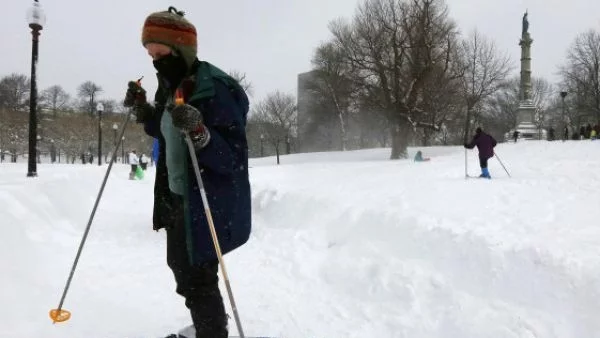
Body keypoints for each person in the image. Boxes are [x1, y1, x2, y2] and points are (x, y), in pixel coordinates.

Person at [123, 7, 251, 338]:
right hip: (178, 197)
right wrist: (143, 110)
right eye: (150, 53)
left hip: (208, 201)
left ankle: (212, 332)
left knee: (199, 277)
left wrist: (200, 132)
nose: (154, 59)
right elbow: (165, 131)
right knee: (183, 270)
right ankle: (207, 325)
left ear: (181, 48)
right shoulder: (170, 86)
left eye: (159, 51)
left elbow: (232, 158)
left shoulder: (216, 88)